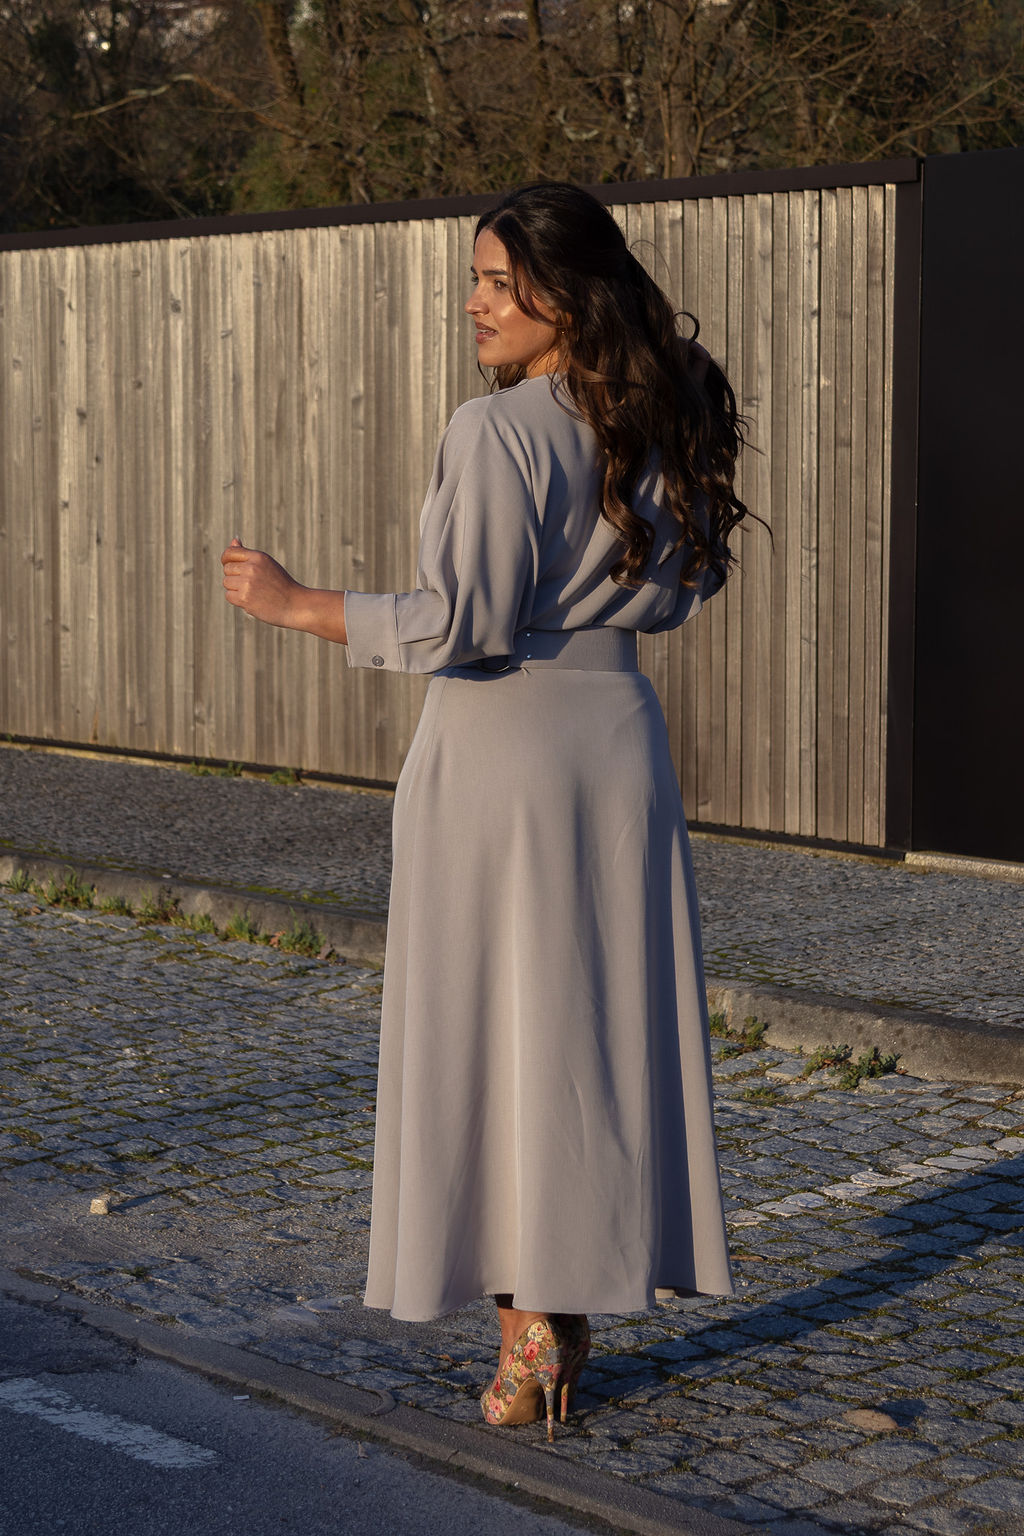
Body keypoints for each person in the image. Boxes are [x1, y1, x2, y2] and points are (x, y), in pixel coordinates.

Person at [222, 181, 753, 1443]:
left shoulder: (498, 428)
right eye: (474, 278)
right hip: (616, 741)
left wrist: (300, 605)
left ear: (563, 298)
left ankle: (529, 1327)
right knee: (587, 1035)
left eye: (499, 284)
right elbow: (685, 590)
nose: (474, 302)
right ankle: (559, 1301)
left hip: (501, 742)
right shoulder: (661, 416)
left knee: (493, 1034)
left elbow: (462, 620)